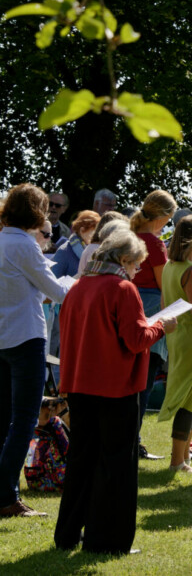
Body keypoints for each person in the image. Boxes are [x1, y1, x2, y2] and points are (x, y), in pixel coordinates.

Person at [54, 229, 176, 552]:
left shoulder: (79, 287)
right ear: (124, 259)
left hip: (81, 385)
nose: (137, 270)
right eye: (136, 264)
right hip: (115, 387)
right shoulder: (122, 288)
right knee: (116, 465)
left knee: (81, 460)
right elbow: (136, 340)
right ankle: (107, 540)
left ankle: (67, 534)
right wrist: (163, 325)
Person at [0, 184, 71, 518]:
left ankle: (4, 492)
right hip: (25, 338)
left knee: (5, 419)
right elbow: (57, 292)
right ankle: (6, 496)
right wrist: (77, 284)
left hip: (2, 337)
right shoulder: (25, 246)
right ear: (35, 211)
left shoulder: (2, 240)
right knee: (25, 420)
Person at [157, 215, 192, 474]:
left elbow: (163, 304)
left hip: (176, 337)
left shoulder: (169, 265)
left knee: (186, 396)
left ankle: (182, 458)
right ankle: (178, 460)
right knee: (189, 399)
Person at [129, 189, 177, 458]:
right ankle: (133, 441)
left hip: (126, 307)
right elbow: (164, 284)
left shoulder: (128, 237)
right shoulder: (154, 244)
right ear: (163, 218)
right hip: (150, 310)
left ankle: (130, 439)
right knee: (145, 379)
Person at [50, 210, 99, 278]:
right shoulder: (64, 251)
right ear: (82, 231)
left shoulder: (93, 250)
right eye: (94, 233)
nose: (97, 237)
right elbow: (54, 281)